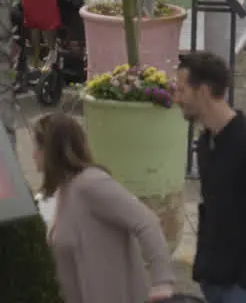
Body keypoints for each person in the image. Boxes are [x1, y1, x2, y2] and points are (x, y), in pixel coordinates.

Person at [175, 51, 246, 303]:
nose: (176, 98)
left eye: (182, 90)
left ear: (202, 91)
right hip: (215, 282)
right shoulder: (205, 144)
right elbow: (211, 209)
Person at [33, 113, 176, 303]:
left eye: (36, 146)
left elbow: (146, 222)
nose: (33, 154)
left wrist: (161, 281)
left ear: (50, 149)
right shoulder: (65, 191)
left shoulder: (90, 183)